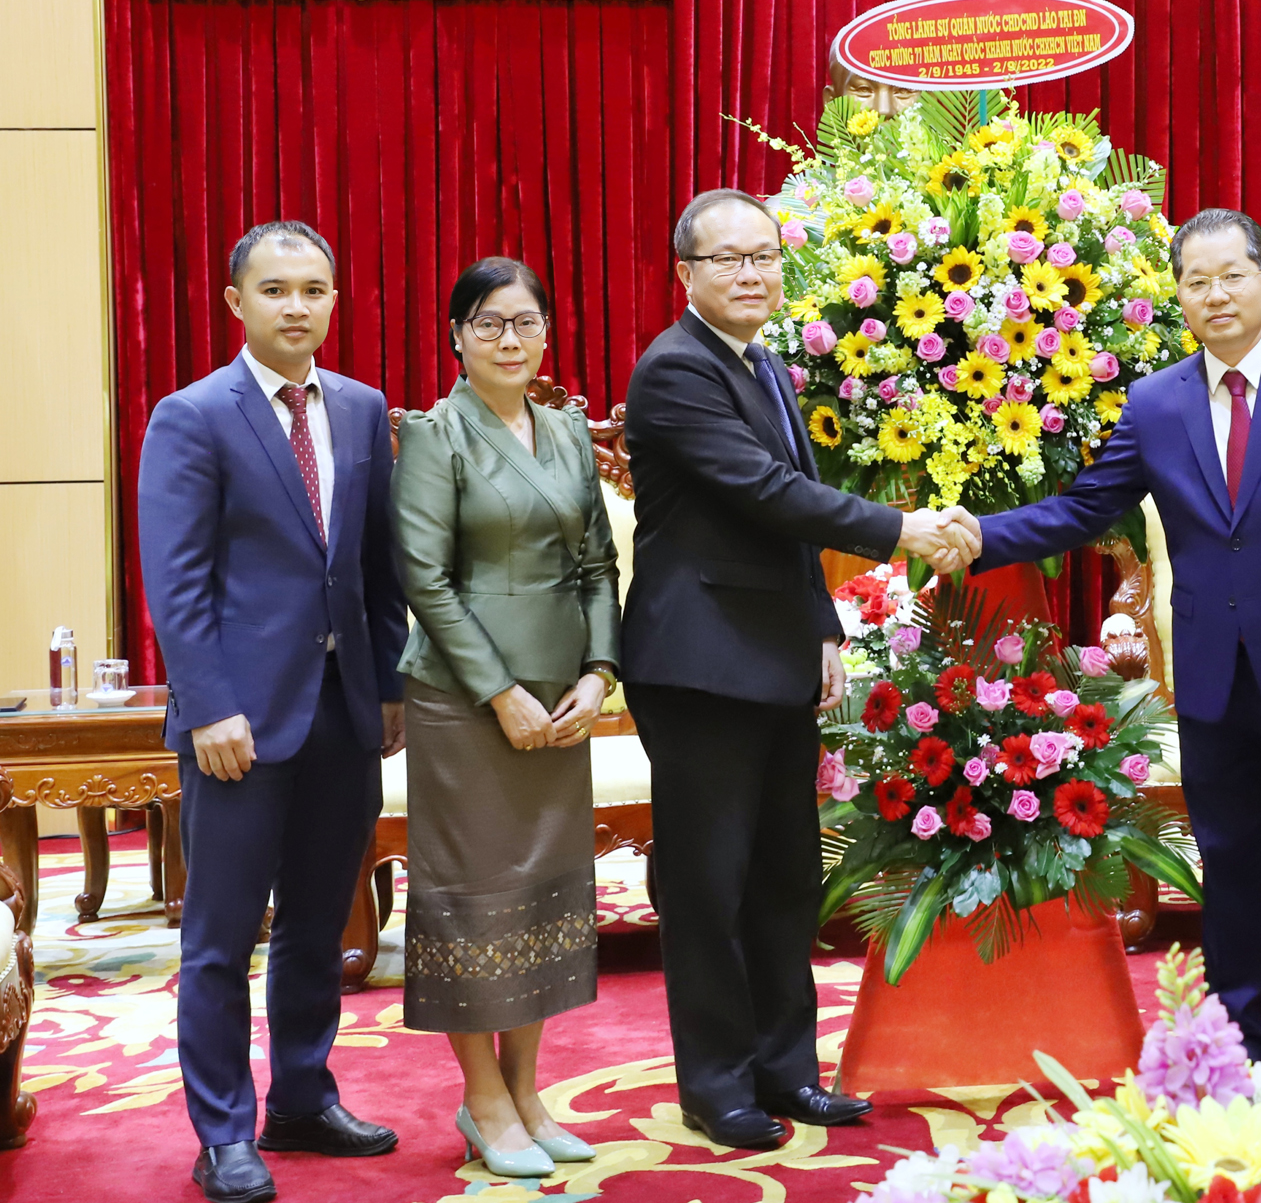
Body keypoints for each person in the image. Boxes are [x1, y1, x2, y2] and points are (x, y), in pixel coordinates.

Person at [947, 207, 1261, 1082]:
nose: (1216, 294)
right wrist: (977, 535)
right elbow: (1084, 507)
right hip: (1210, 675)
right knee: (1225, 865)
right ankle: (1232, 1044)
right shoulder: (1156, 402)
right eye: (1197, 280)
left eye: (1232, 276)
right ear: (1179, 296)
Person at [621, 188, 972, 1149]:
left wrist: (822, 622)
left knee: (783, 878)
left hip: (772, 657)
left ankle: (785, 1070)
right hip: (698, 668)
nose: (750, 274)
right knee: (707, 886)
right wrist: (904, 529)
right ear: (684, 273)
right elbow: (767, 491)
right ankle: (718, 1083)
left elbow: (789, 515)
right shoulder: (675, 371)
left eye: (764, 257)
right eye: (727, 259)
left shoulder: (764, 361)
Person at [137, 221, 406, 1203]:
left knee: (313, 928)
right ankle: (223, 1133)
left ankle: (301, 1096)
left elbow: (378, 565)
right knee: (218, 939)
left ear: (334, 300)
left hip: (342, 715)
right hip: (235, 727)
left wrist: (388, 687)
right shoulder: (193, 415)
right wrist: (208, 705)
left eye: (316, 289)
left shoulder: (364, 409)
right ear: (235, 303)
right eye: (277, 289)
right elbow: (178, 579)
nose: (298, 306)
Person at [390, 258, 622, 1176]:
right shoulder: (433, 435)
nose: (510, 340)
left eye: (526, 322)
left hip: (562, 699)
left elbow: (600, 562)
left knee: (543, 892)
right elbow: (427, 583)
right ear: (457, 335)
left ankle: (528, 1092)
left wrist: (600, 672)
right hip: (463, 702)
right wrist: (501, 693)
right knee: (477, 900)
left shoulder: (566, 429)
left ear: (547, 332)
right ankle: (482, 1099)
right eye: (489, 324)